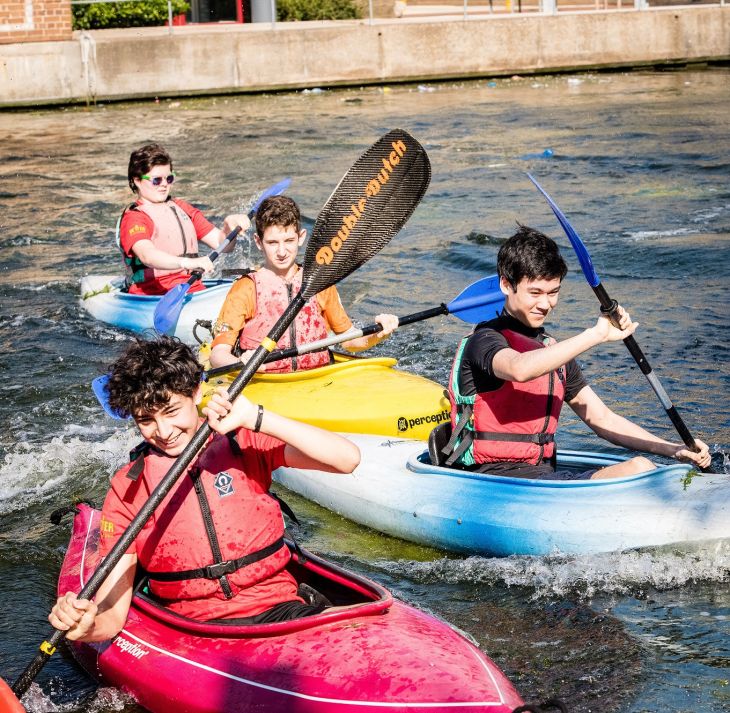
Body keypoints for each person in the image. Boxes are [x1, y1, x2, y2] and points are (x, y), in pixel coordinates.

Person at [49, 336, 360, 640]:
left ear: (197, 393)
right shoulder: (128, 487)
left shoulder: (241, 442)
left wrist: (257, 417)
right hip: (190, 628)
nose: (164, 432)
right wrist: (86, 627)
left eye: (172, 412)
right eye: (146, 420)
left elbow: (347, 459)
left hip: (279, 610)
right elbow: (111, 618)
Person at [443, 225, 711, 480]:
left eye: (553, 292)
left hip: (542, 473)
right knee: (639, 468)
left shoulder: (553, 353)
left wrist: (673, 449)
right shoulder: (485, 341)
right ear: (506, 285)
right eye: (534, 292)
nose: (545, 304)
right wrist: (597, 334)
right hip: (492, 477)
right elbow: (519, 369)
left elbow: (601, 418)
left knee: (646, 467)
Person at [208, 195, 399, 372]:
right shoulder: (246, 287)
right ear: (258, 242)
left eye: (289, 240)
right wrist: (241, 364)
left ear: (301, 237)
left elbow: (350, 341)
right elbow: (218, 355)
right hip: (264, 380)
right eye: (273, 242)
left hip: (316, 379)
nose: (282, 251)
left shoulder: (319, 283)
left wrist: (379, 332)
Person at [118, 143, 250, 295]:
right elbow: (146, 255)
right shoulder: (135, 217)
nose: (164, 185)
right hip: (154, 293)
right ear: (137, 181)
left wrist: (229, 226)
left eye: (169, 178)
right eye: (156, 180)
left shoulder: (181, 208)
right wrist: (188, 262)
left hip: (192, 288)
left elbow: (224, 245)